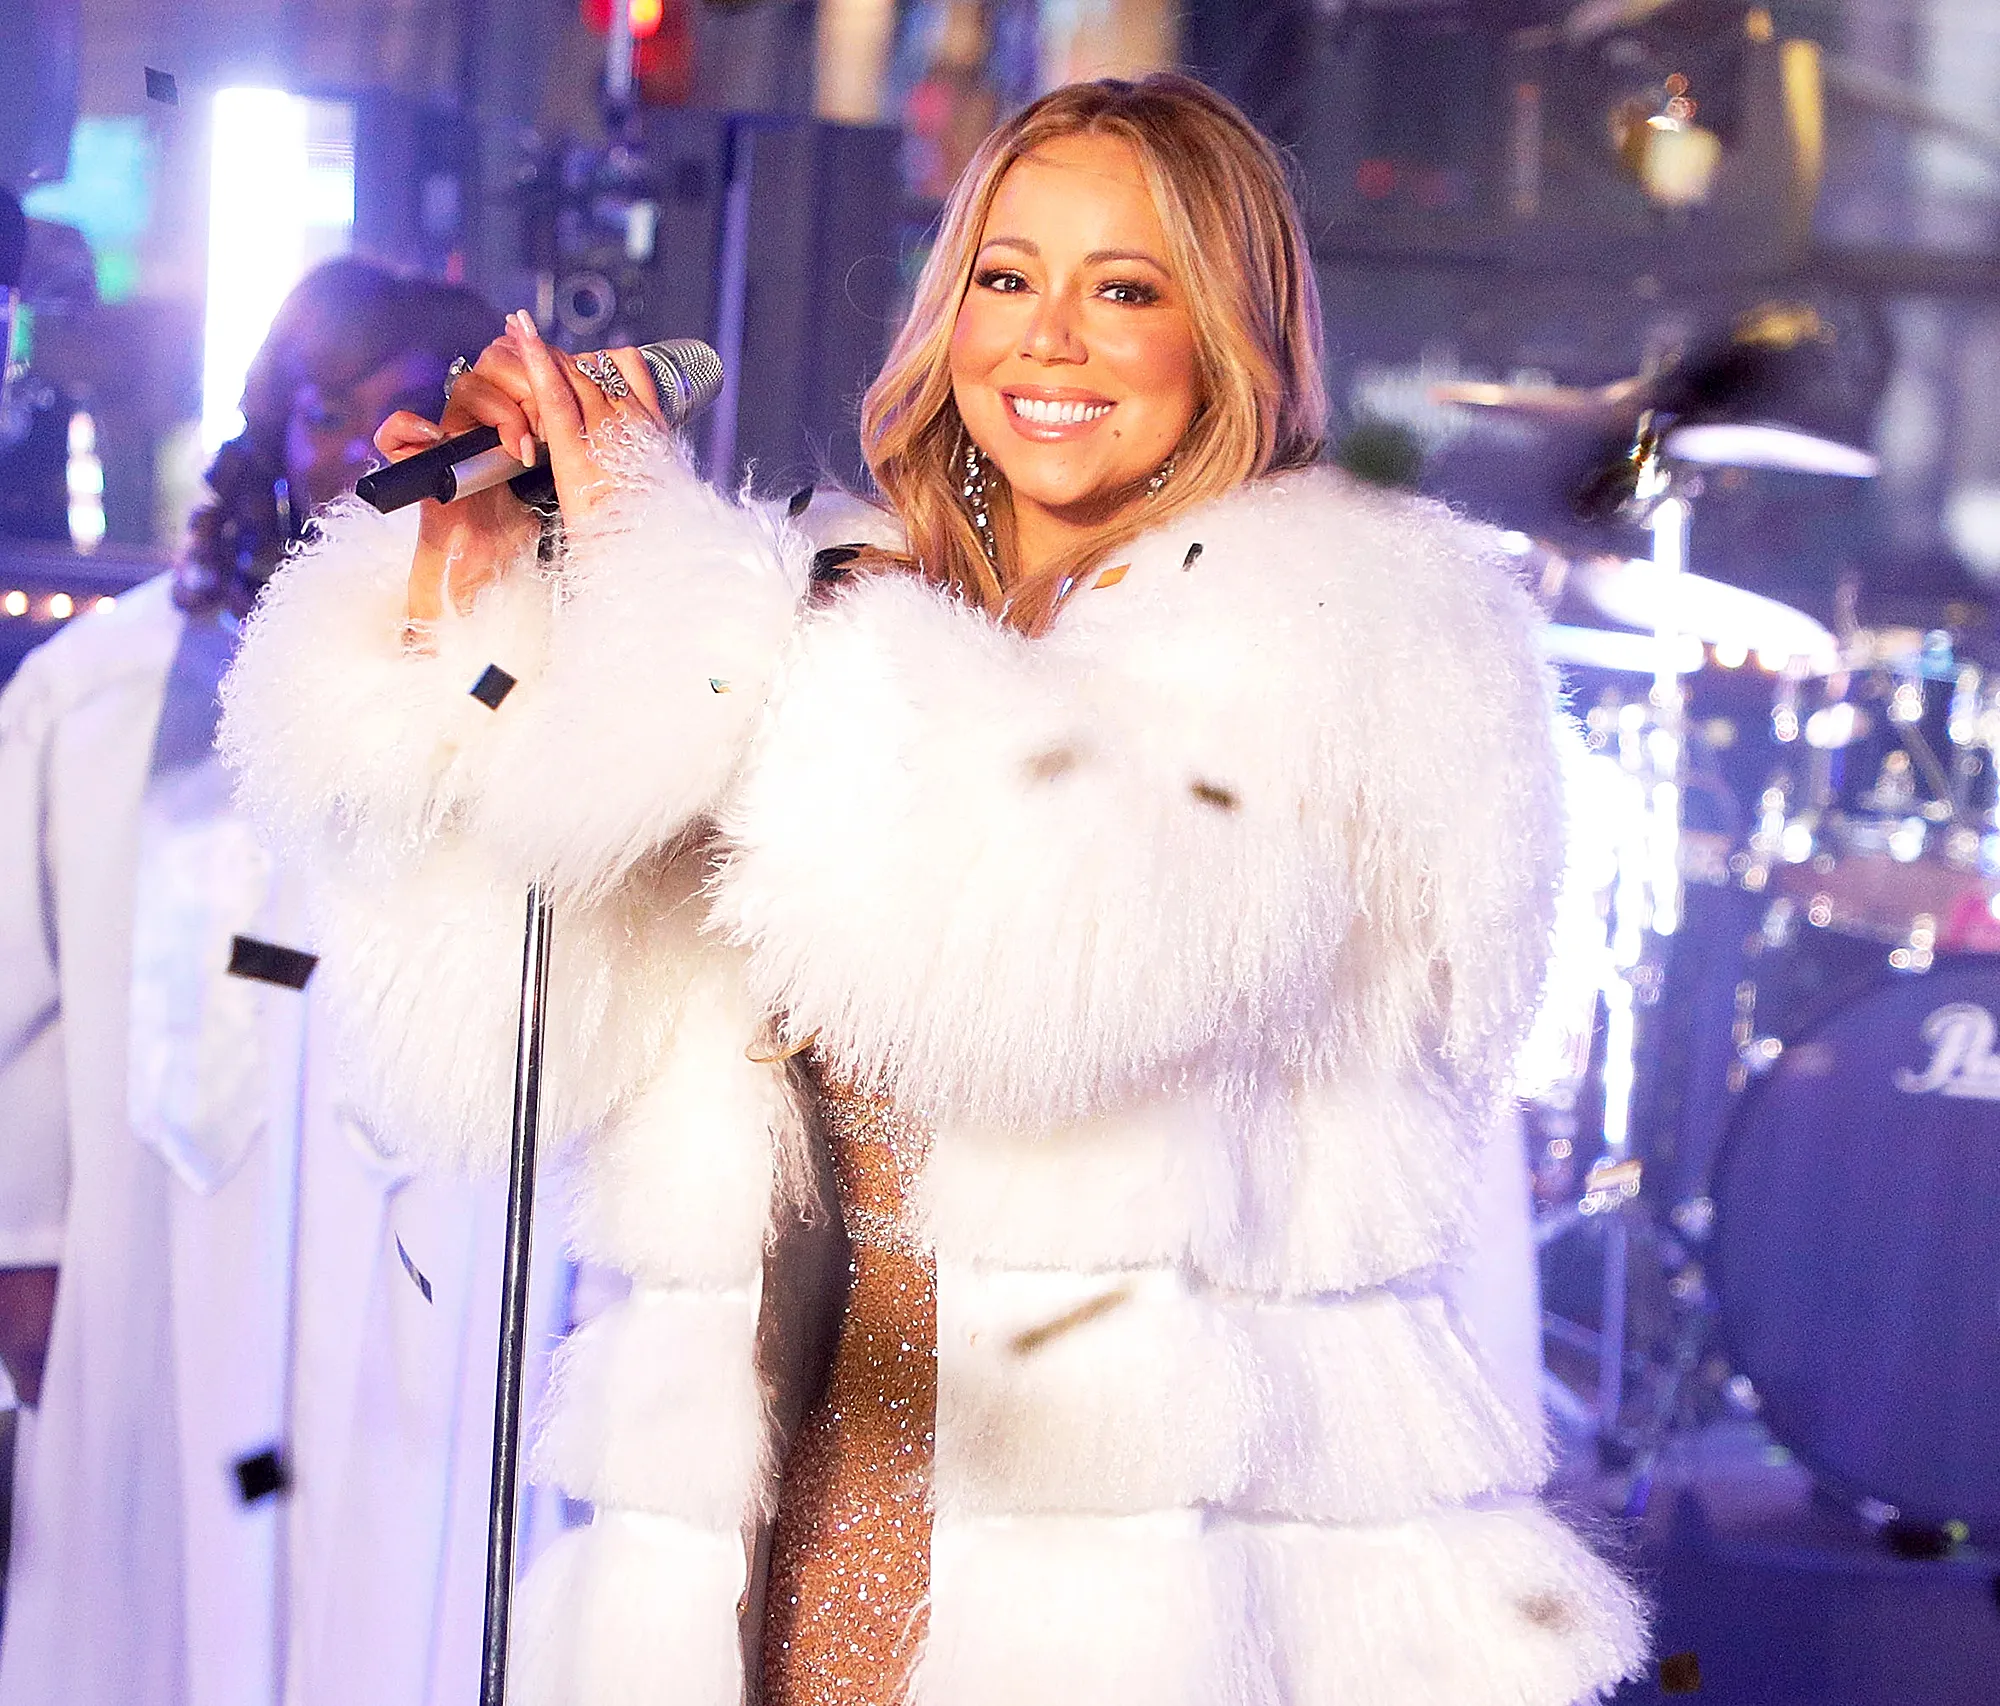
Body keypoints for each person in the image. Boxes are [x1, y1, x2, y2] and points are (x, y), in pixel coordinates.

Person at [221, 78, 1648, 1705]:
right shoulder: (839, 621)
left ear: (1234, 329)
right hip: (785, 1550)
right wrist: (493, 612)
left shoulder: (1366, 629)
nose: (1048, 339)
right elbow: (498, 1045)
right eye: (1003, 276)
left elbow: (1040, 949)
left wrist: (662, 558)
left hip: (1177, 1594)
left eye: (1126, 289)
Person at [0, 258, 561, 1706]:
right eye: (331, 410)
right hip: (148, 1255)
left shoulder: (517, 689)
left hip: (392, 1265)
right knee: (147, 1601)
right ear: (274, 425)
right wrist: (28, 1238)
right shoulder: (101, 693)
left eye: (412, 411)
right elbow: (23, 997)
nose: (367, 452)